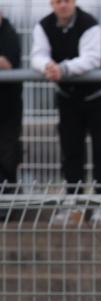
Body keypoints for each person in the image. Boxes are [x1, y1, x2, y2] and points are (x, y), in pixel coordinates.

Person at [31, 0, 101, 224]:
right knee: (71, 151)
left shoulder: (90, 24)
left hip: (100, 96)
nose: (63, 6)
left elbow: (92, 59)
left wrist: (63, 69)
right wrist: (47, 66)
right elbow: (37, 55)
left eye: (67, 1)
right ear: (52, 4)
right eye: (58, 1)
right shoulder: (43, 26)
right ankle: (73, 204)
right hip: (68, 96)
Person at [0, 11, 22, 194]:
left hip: (7, 107)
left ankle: (7, 203)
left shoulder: (8, 34)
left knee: (7, 154)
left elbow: (6, 63)